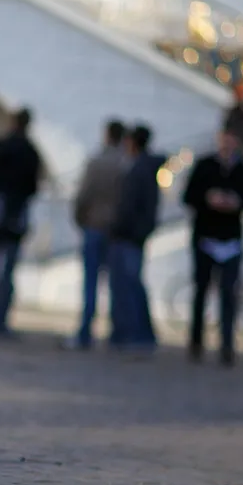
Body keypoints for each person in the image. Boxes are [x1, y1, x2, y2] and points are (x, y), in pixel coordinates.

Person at [181, 128, 243, 367]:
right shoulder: (205, 165)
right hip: (206, 236)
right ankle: (196, 340)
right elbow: (189, 196)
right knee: (201, 291)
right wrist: (208, 198)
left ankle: (227, 343)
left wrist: (236, 202)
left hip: (230, 239)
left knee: (229, 293)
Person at [0, 108, 44, 337]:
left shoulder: (0, 147)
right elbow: (34, 187)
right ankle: (0, 320)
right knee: (6, 272)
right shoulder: (30, 152)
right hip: (15, 218)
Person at [65, 119, 127, 349]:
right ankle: (116, 332)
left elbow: (83, 195)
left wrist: (81, 220)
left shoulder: (97, 161)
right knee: (115, 283)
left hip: (94, 226)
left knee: (90, 283)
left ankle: (85, 331)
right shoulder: (125, 164)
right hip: (116, 230)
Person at [107, 124, 165, 354]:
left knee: (130, 284)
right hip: (128, 235)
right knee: (127, 284)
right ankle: (129, 332)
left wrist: (128, 229)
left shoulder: (140, 170)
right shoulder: (140, 168)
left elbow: (136, 207)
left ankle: (136, 333)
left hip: (129, 236)